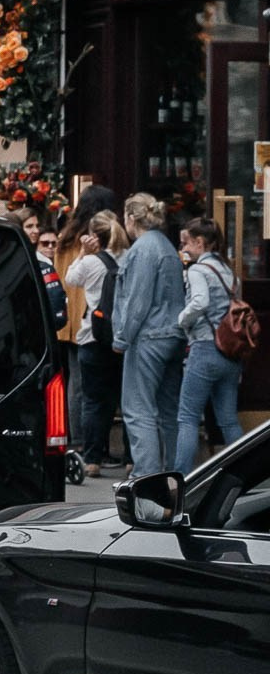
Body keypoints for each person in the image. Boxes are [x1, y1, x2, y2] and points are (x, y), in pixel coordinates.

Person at [115, 192, 186, 478]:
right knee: (169, 411)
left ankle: (144, 478)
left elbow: (137, 301)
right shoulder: (166, 246)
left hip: (149, 336)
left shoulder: (143, 249)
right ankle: (175, 474)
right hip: (174, 334)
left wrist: (122, 338)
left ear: (131, 218)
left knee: (138, 408)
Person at [175, 216, 244, 472]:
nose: (183, 249)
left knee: (188, 417)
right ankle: (244, 474)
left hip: (204, 349)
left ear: (199, 242)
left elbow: (200, 302)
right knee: (228, 420)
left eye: (186, 243)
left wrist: (181, 319)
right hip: (230, 353)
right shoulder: (229, 272)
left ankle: (180, 480)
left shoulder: (197, 270)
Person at [64, 209, 128, 475]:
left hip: (93, 336)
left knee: (93, 401)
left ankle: (93, 459)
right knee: (126, 401)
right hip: (121, 338)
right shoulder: (127, 257)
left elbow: (70, 278)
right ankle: (132, 459)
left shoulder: (90, 263)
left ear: (93, 236)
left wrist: (82, 253)